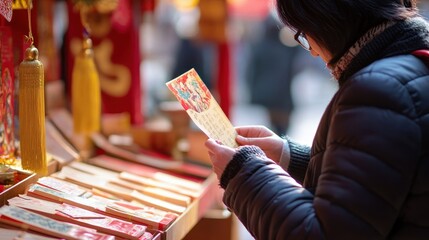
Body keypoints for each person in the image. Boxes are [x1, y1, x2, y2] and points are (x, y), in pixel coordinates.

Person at [205, 1, 429, 239]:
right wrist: (287, 156)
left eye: (302, 33)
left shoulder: (377, 90)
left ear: (328, 18)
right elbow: (377, 183)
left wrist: (244, 171)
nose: (311, 49)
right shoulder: (411, 67)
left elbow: (326, 233)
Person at [245, 13, 300, 136]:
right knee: (282, 129)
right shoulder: (286, 46)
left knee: (274, 127)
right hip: (282, 94)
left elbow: (252, 71)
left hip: (268, 93)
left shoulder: (260, 45)